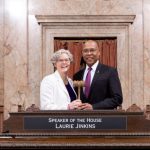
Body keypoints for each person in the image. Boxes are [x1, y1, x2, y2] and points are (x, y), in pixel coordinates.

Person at [73, 40, 123, 110]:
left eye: (92, 50)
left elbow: (117, 98)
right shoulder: (77, 75)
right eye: (86, 51)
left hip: (103, 118)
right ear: (82, 53)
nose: (89, 53)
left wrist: (94, 107)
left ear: (99, 52)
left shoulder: (110, 72)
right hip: (82, 119)